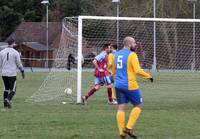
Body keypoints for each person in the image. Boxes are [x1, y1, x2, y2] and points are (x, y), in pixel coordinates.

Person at [112, 37, 153, 138]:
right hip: (130, 85)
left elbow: (113, 71)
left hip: (118, 84)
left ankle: (122, 133)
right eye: (134, 43)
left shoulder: (115, 54)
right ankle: (129, 128)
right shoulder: (132, 55)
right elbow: (138, 70)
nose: (135, 45)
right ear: (129, 44)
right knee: (138, 105)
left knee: (121, 107)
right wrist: (149, 76)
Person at [0, 38, 25, 108]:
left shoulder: (1, 52)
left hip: (4, 73)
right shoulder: (15, 52)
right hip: (12, 74)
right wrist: (22, 71)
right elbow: (18, 63)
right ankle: (8, 100)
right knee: (13, 90)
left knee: (6, 88)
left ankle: (5, 105)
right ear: (13, 43)